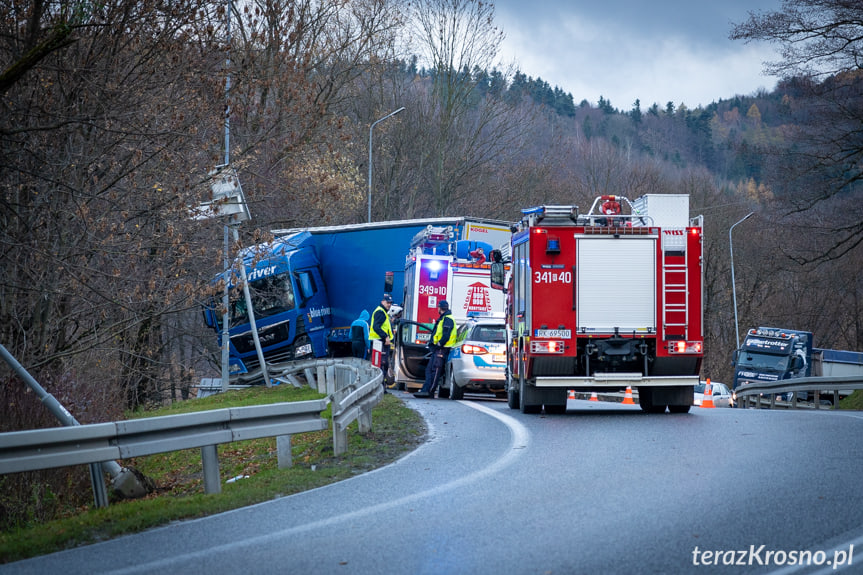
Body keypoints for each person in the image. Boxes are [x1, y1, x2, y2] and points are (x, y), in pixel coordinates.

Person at [413, 300, 457, 398]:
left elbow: (446, 334)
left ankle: (429, 391)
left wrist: (440, 343)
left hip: (442, 349)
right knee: (429, 370)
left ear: (439, 308)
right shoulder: (444, 318)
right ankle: (425, 389)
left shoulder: (447, 319)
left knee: (435, 371)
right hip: (438, 349)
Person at [369, 294, 394, 392]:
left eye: (390, 303)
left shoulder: (383, 312)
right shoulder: (380, 312)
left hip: (379, 342)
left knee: (380, 365)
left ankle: (380, 387)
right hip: (380, 342)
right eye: (387, 302)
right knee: (382, 365)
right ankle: (380, 388)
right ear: (382, 301)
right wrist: (385, 336)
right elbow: (376, 327)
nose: (389, 305)